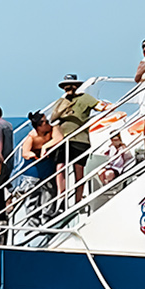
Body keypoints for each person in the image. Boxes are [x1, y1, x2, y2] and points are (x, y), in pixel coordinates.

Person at [49, 74, 100, 204]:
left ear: (77, 86)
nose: (68, 88)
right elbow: (53, 118)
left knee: (78, 171)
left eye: (71, 85)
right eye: (66, 86)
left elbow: (99, 106)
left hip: (80, 140)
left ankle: (78, 200)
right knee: (60, 168)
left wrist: (107, 107)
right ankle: (62, 197)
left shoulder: (85, 98)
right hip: (63, 140)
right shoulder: (62, 101)